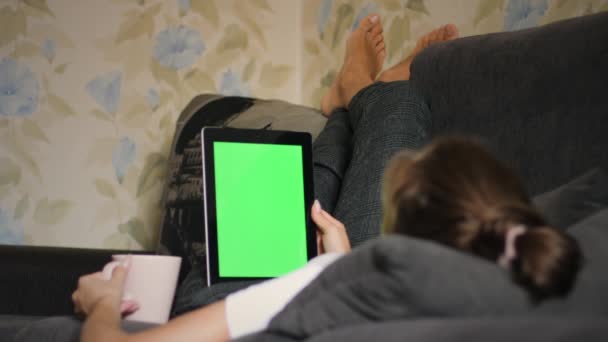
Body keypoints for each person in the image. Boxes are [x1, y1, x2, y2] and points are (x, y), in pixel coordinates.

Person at [22, 14, 580, 342]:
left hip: (234, 303)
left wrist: (100, 300)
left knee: (314, 200)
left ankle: (362, 96)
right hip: (331, 287)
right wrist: (339, 267)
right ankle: (352, 98)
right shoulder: (463, 308)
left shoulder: (339, 288)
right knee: (317, 208)